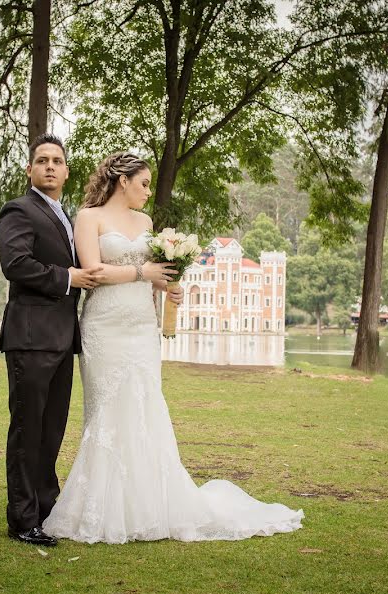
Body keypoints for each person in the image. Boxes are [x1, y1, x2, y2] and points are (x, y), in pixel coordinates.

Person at [42, 152, 305, 543]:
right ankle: (102, 507)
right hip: (105, 325)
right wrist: (142, 271)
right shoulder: (89, 217)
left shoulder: (146, 223)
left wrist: (168, 284)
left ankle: (148, 506)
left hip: (142, 327)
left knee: (146, 406)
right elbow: (92, 273)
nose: (148, 192)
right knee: (106, 410)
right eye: (144, 183)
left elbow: (151, 277)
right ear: (122, 180)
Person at [0, 133, 102, 547]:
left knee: (52, 428)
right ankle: (22, 520)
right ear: (30, 169)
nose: (51, 166)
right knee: (28, 427)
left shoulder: (65, 215)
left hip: (62, 338)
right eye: (42, 160)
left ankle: (46, 505)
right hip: (31, 337)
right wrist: (67, 278)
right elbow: (16, 264)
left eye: (58, 161)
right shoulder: (18, 210)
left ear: (67, 170)